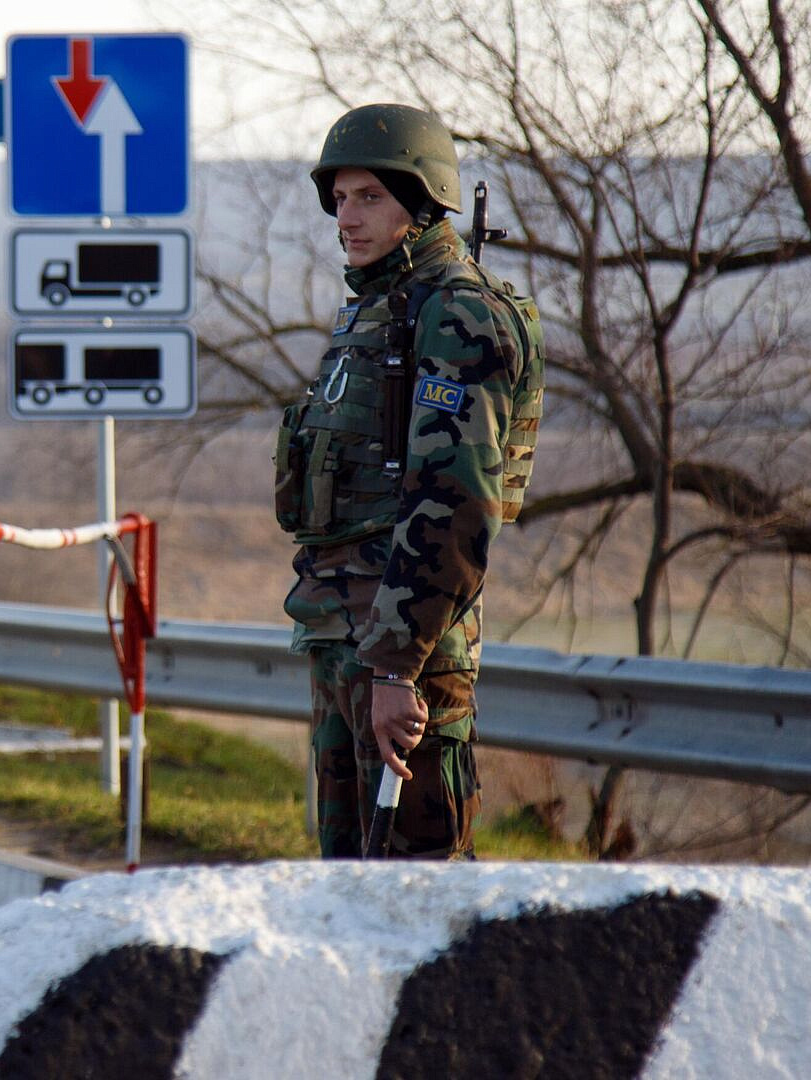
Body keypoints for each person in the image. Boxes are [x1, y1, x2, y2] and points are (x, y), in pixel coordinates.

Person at [273, 103, 546, 859]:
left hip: (405, 654)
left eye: (370, 196)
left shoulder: (457, 313)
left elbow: (455, 505)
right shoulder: (377, 307)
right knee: (348, 886)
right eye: (339, 197)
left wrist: (397, 665)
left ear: (422, 202)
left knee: (418, 889)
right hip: (345, 638)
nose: (346, 217)